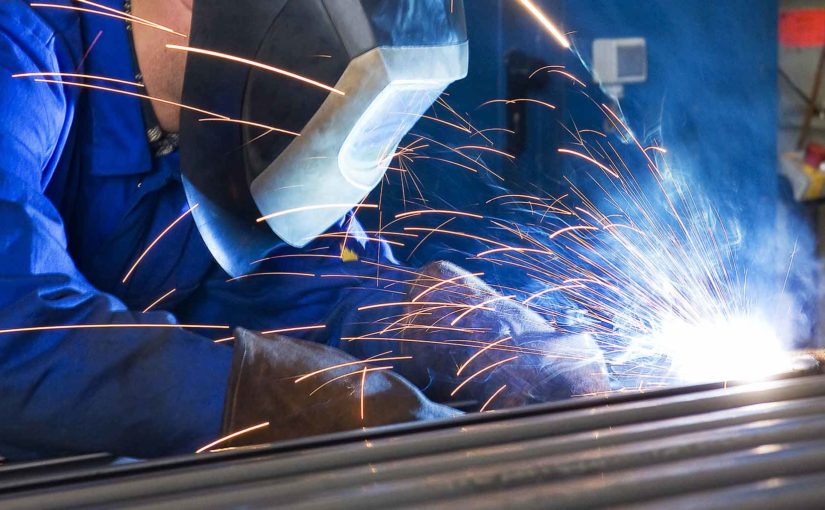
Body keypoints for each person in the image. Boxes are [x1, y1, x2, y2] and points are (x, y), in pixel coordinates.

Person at [0, 0, 608, 461]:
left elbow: (298, 277)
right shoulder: (18, 52)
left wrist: (462, 330)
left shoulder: (217, 128)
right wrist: (295, 397)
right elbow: (16, 334)